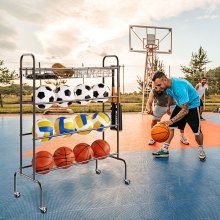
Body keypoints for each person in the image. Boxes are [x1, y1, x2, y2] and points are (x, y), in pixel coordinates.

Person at [151, 71, 206, 161]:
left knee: (197, 132)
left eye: (159, 85)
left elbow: (185, 110)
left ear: (164, 79)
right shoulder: (167, 86)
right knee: (170, 127)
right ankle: (165, 149)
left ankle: (200, 148)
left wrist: (171, 120)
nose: (158, 88)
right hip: (181, 105)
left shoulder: (179, 87)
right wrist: (168, 106)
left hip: (192, 106)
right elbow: (170, 95)